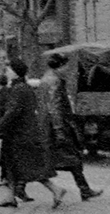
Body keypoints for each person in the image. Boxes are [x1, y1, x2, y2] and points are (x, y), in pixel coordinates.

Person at [0, 56, 63, 208]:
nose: (7, 72)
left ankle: (56, 189)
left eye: (9, 69)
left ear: (15, 72)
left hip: (20, 135)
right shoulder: (22, 88)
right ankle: (10, 196)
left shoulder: (19, 89)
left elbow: (12, 112)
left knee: (28, 168)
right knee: (12, 166)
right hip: (20, 133)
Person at [39, 53, 102, 199]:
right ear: (60, 66)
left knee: (69, 159)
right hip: (57, 127)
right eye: (66, 66)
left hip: (49, 127)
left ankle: (84, 189)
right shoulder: (54, 81)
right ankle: (17, 186)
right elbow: (54, 107)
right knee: (66, 159)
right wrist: (60, 131)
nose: (67, 69)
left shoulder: (46, 79)